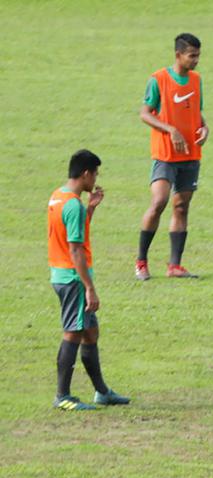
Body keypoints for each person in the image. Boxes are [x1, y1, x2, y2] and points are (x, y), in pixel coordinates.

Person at [47, 150, 130, 411]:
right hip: (73, 278)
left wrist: (90, 209)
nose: (96, 179)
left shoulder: (58, 197)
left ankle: (102, 392)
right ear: (86, 174)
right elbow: (76, 249)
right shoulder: (72, 205)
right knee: (73, 332)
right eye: (95, 174)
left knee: (90, 332)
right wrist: (90, 288)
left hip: (61, 274)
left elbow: (75, 234)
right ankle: (63, 396)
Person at [136, 32, 209, 280]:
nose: (196, 60)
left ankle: (174, 266)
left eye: (198, 55)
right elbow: (145, 113)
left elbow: (197, 113)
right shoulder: (158, 80)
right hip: (165, 154)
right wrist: (170, 129)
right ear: (178, 55)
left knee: (181, 206)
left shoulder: (197, 80)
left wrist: (205, 128)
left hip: (190, 154)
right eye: (192, 56)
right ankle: (141, 262)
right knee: (159, 202)